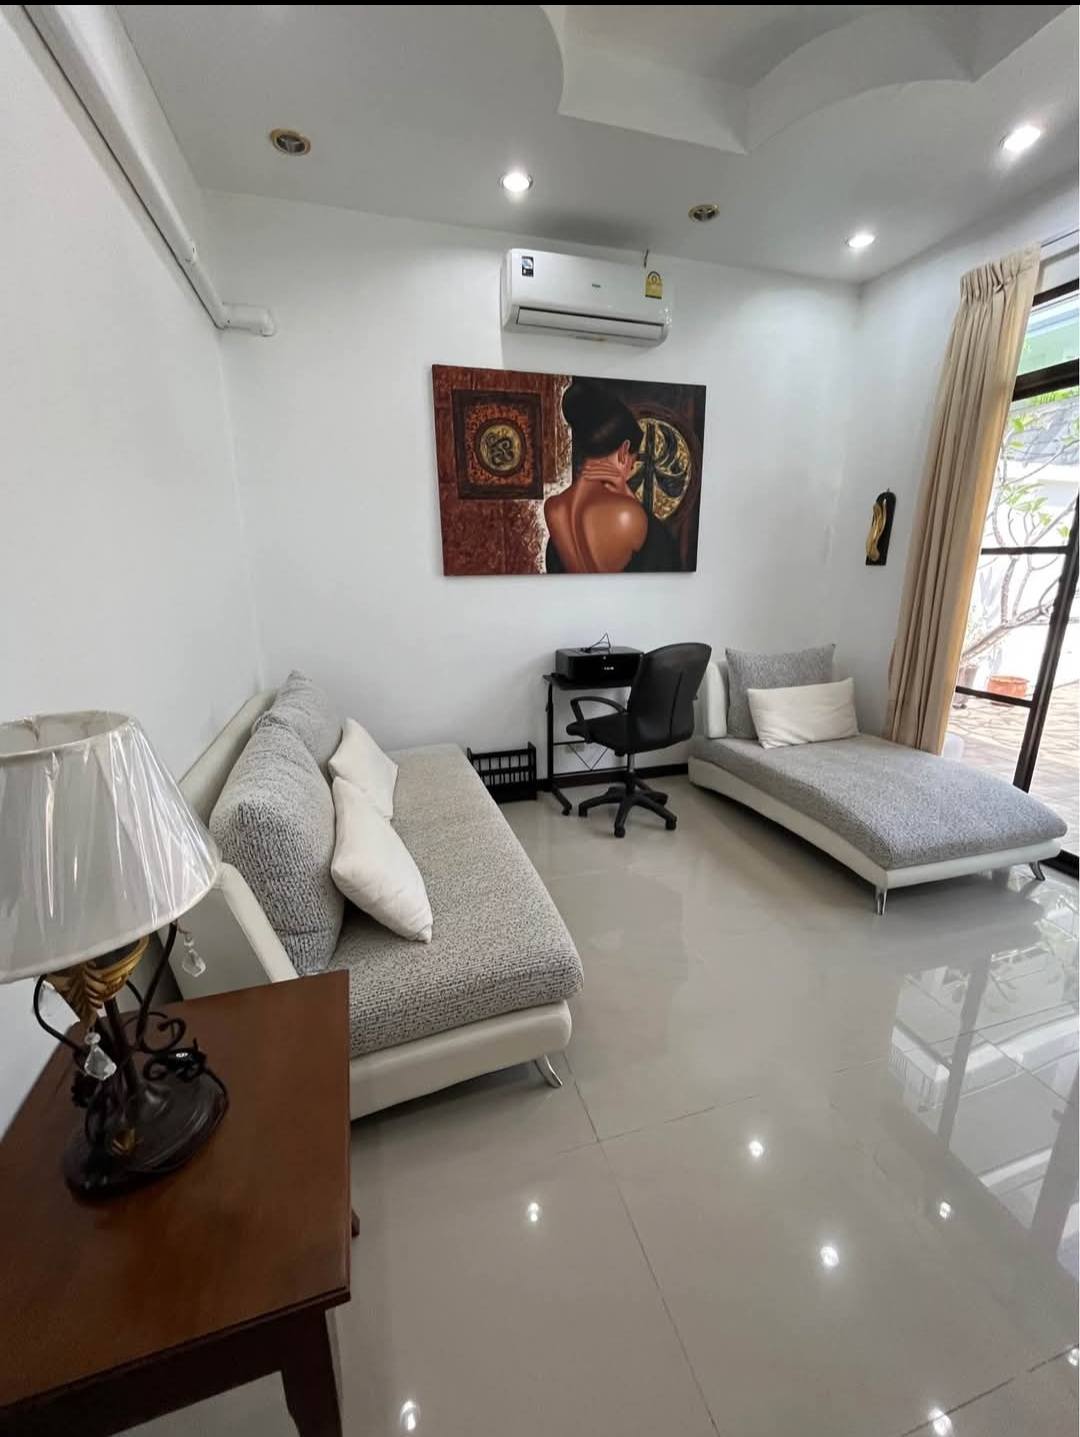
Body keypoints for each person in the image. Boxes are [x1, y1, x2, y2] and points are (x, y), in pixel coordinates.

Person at [544, 379, 679, 573]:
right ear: (624, 451)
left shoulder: (554, 508)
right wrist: (627, 495)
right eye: (633, 463)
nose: (630, 470)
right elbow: (668, 564)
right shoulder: (627, 514)